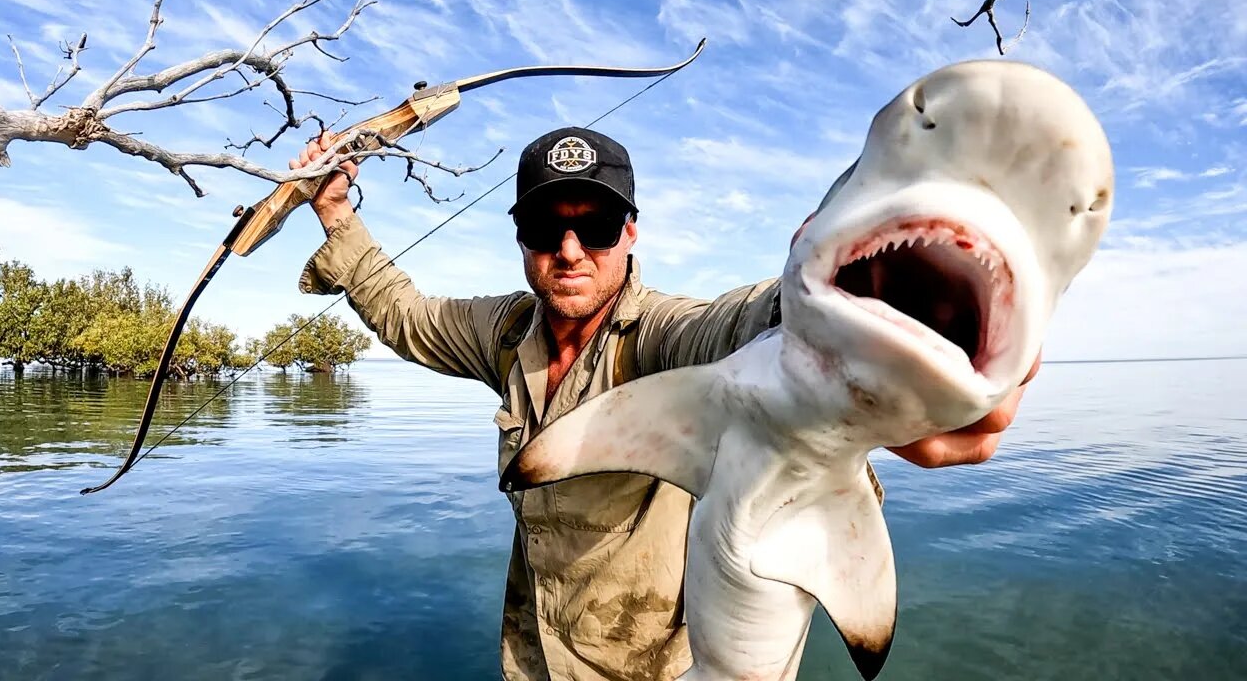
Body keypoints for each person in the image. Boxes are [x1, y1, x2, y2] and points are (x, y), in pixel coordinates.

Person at [291, 126, 1040, 681]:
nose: (572, 250)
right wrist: (335, 214)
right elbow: (405, 313)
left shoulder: (662, 339)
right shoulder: (504, 330)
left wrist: (846, 328)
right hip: (531, 659)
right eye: (546, 227)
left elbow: (740, 327)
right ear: (519, 236)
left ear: (631, 231)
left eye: (598, 225)